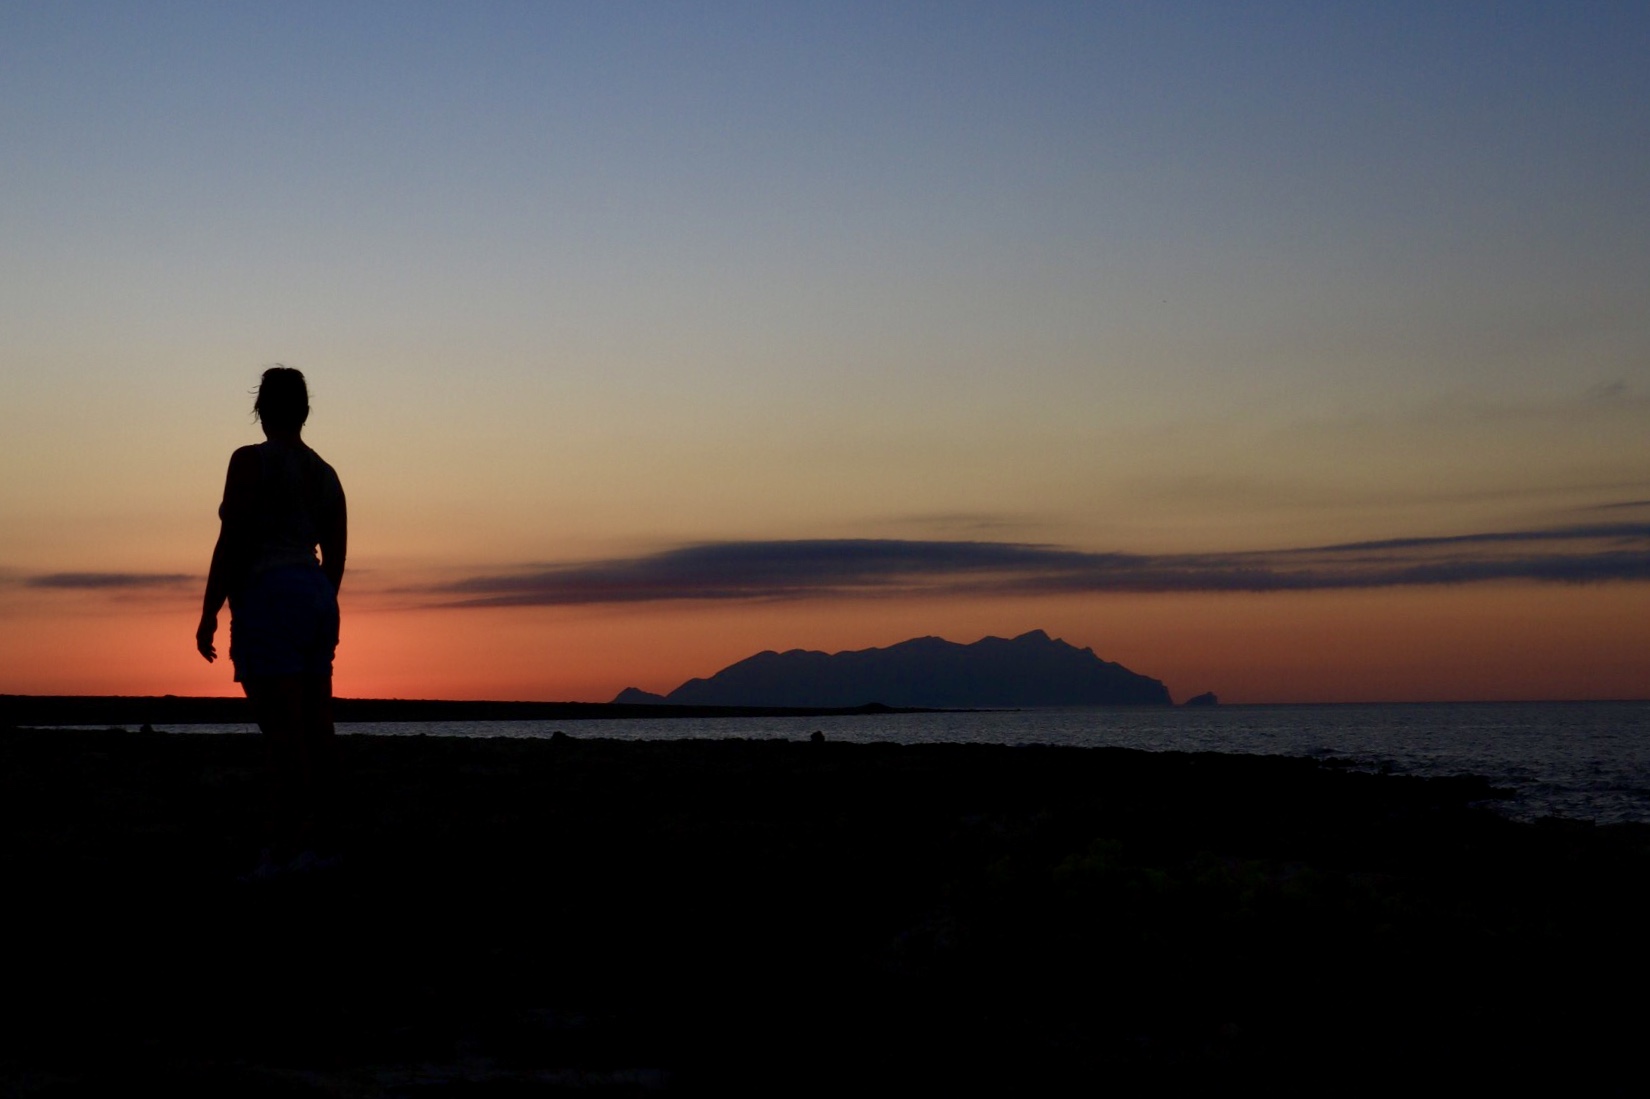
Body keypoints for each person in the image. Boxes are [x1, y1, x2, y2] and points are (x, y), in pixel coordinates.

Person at [197, 366, 347, 877]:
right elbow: (338, 558)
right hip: (314, 595)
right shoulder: (326, 475)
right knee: (316, 731)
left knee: (283, 736)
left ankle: (280, 851)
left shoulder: (250, 462)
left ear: (261, 409)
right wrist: (319, 605)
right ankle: (324, 844)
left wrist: (208, 611)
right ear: (304, 411)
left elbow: (232, 541)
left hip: (269, 594)